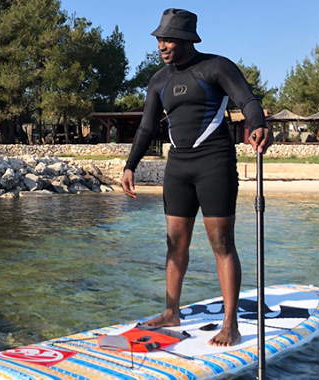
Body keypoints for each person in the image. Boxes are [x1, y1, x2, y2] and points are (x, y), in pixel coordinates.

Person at [121, 9, 272, 347]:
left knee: (221, 243)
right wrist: (130, 164)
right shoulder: (158, 80)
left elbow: (247, 99)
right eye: (159, 38)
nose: (162, 44)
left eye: (169, 38)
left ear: (188, 40)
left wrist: (258, 123)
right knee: (175, 243)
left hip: (214, 163)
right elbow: (146, 127)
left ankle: (230, 323)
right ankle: (171, 311)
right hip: (177, 167)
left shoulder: (217, 67)